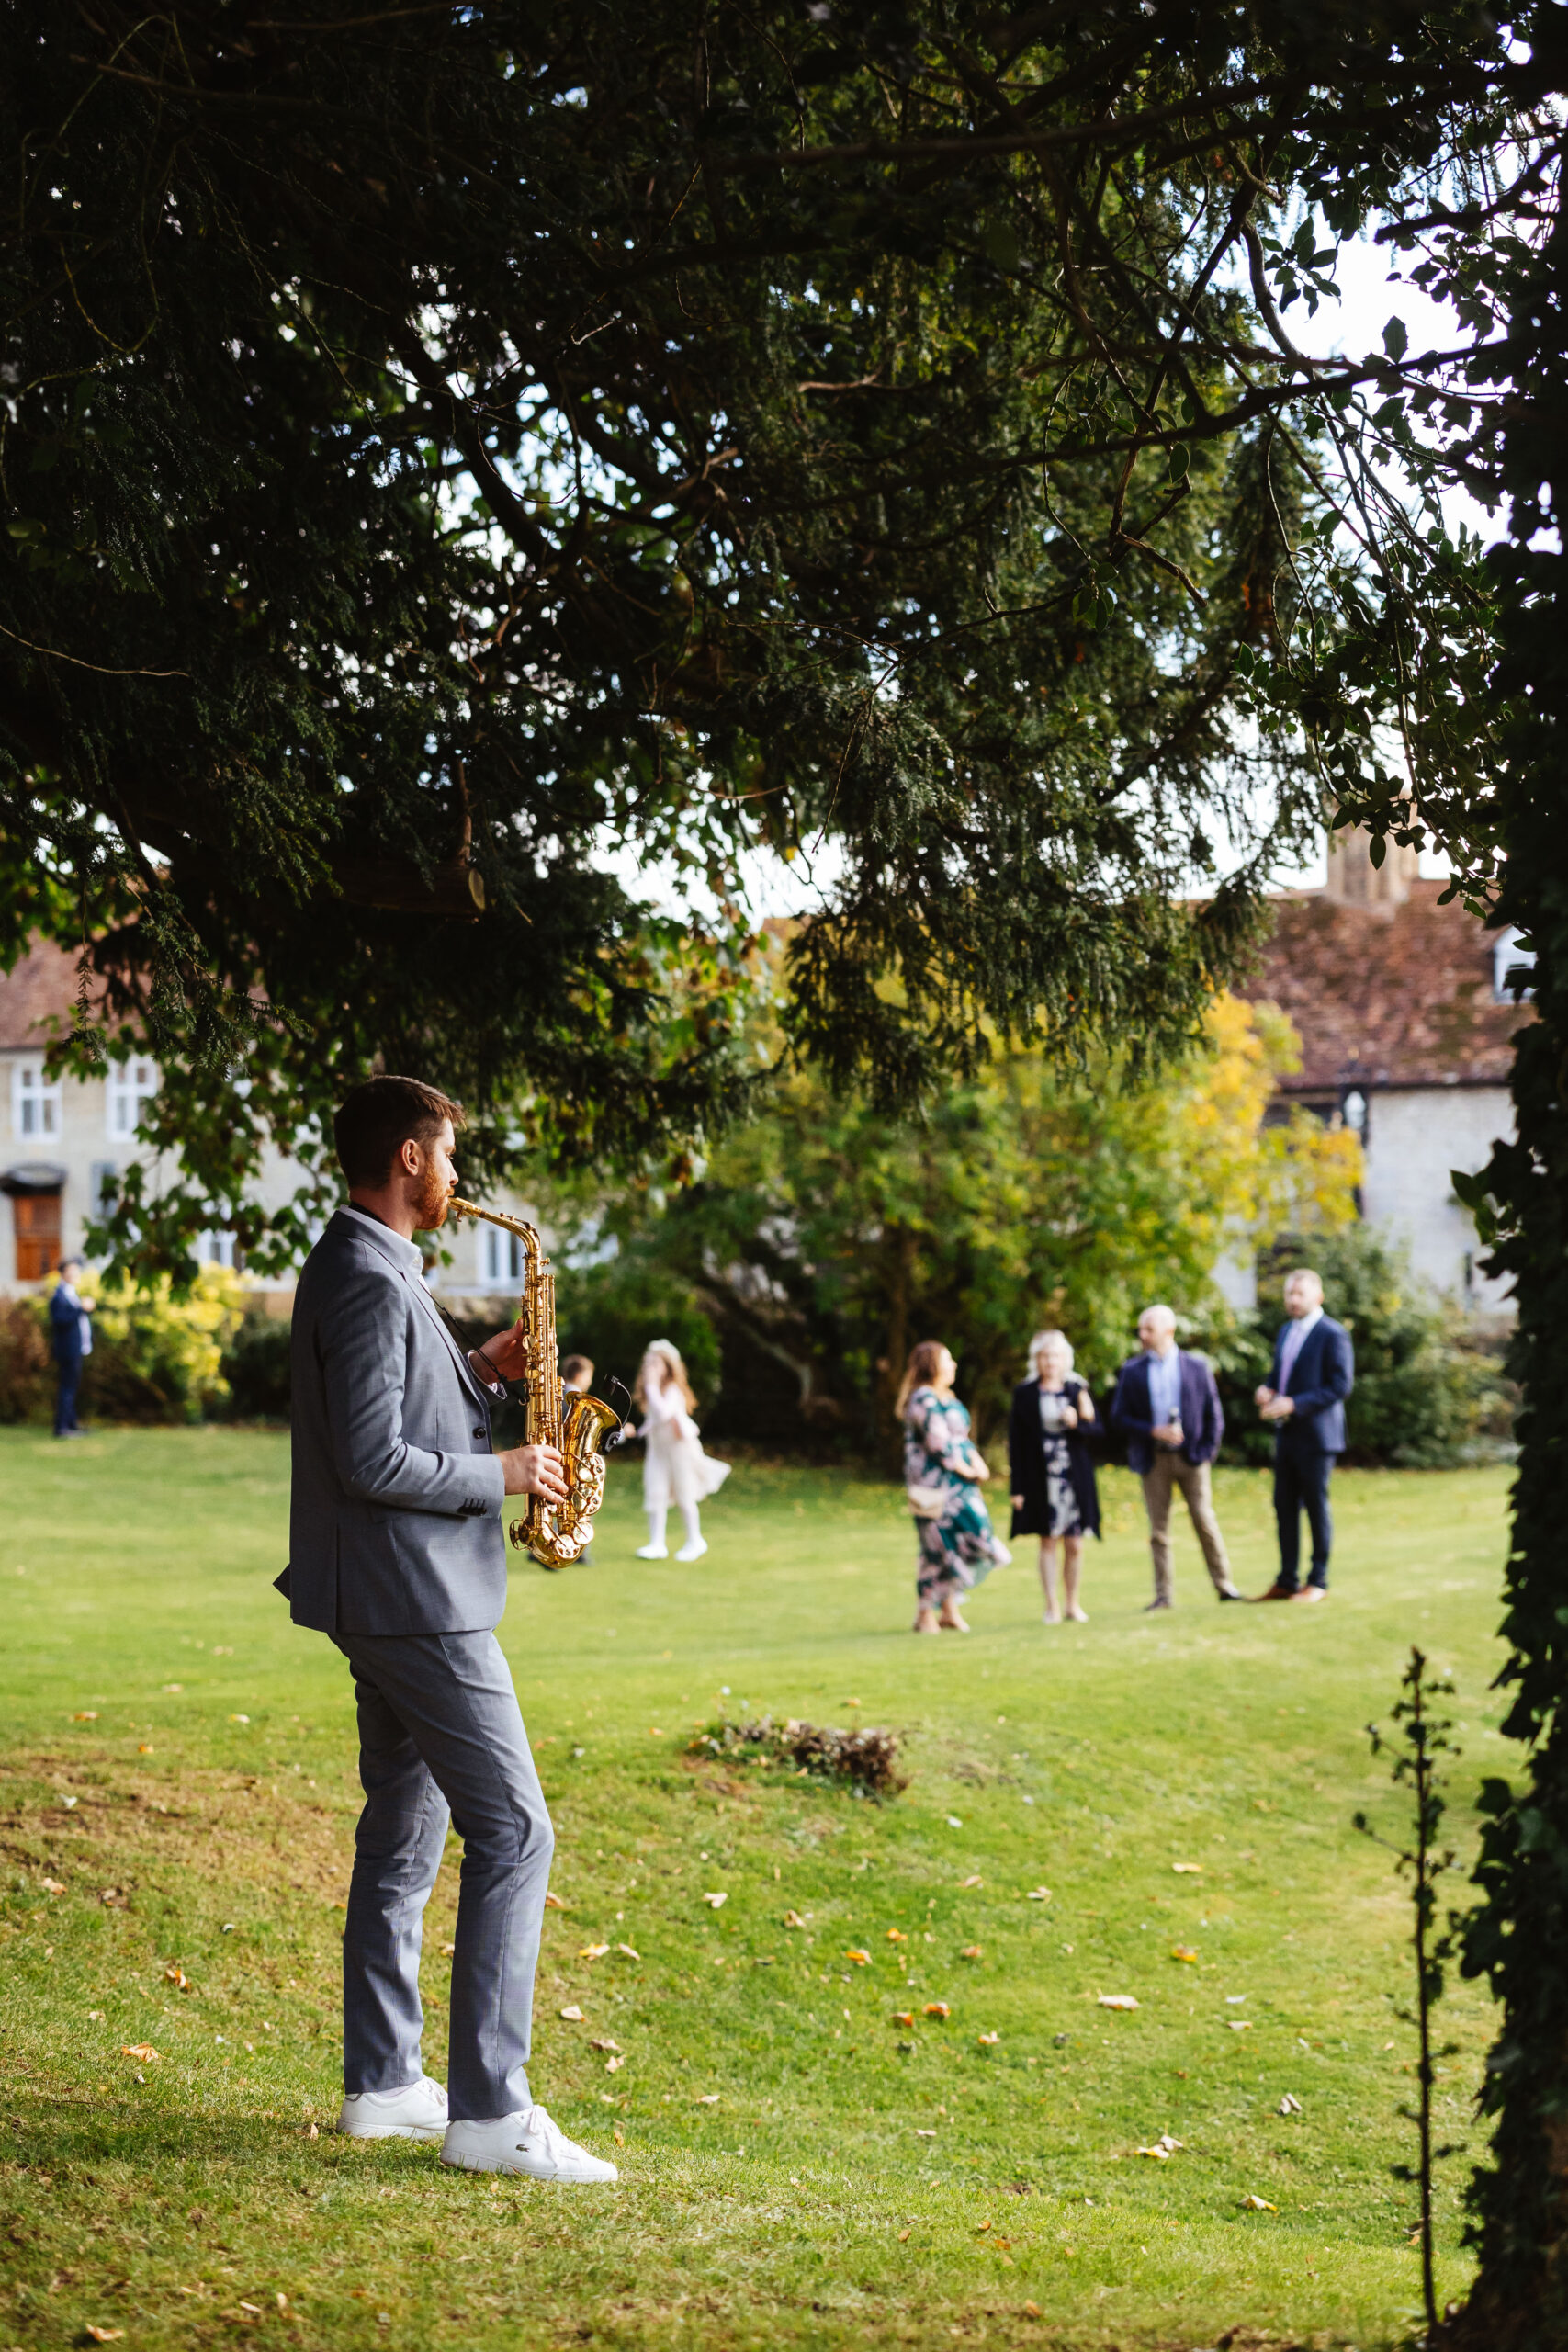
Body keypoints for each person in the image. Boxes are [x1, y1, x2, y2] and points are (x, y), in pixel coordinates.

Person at [278, 1073, 616, 2184]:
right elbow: (372, 1462)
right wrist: (508, 1468)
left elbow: (388, 1415)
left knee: (405, 1830)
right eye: (450, 1155)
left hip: (385, 1593)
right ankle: (489, 2112)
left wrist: (479, 1370)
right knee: (518, 1832)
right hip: (417, 1599)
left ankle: (383, 2085)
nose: (460, 1178)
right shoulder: (370, 1276)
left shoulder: (365, 1260)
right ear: (413, 1158)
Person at [1111, 1304, 1242, 1611]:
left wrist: (1206, 1452)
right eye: (1141, 1329)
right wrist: (1152, 1431)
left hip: (1192, 1458)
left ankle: (1224, 1586)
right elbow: (1119, 1417)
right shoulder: (1132, 1370)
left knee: (1204, 1521)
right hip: (1153, 1459)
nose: (1142, 1335)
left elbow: (1214, 1415)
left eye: (1149, 1329)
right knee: (1159, 1531)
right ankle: (1164, 1596)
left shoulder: (1196, 1367)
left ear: (1168, 1331)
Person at [1254, 1266, 1355, 1603]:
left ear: (1318, 1297)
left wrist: (1294, 1404)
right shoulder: (1285, 1331)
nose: (1293, 1300)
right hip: (1287, 1435)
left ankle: (1318, 1581)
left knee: (1315, 1507)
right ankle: (1286, 1580)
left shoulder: (1332, 1333)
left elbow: (1341, 1385)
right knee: (1283, 1506)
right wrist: (1267, 1392)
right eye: (1289, 1294)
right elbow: (1279, 1377)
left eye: (1300, 1294)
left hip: (1318, 1436)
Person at [898, 1340, 1011, 1634]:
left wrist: (978, 1463)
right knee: (934, 1547)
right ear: (932, 1365)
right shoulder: (923, 1398)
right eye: (948, 1360)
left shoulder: (947, 1397)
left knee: (969, 1538)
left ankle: (948, 1610)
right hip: (928, 1488)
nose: (954, 1365)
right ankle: (926, 1614)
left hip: (959, 1487)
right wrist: (968, 1469)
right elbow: (938, 1443)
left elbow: (961, 1438)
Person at [1008, 1329, 1100, 1623]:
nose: (1050, 1361)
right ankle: (1052, 1606)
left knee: (1074, 1542)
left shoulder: (1077, 1389)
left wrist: (1077, 1423)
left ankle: (1073, 1604)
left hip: (1073, 1476)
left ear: (1065, 1359)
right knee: (1048, 1540)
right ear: (1036, 1359)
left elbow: (1097, 1431)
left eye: (1056, 1355)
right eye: (1045, 1356)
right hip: (1040, 1476)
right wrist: (1017, 1488)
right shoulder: (1025, 1393)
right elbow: (1017, 1443)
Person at [634, 1339, 729, 1562]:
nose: (651, 1367)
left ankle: (695, 1540)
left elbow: (665, 1414)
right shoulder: (654, 1391)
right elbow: (654, 1420)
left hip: (680, 1450)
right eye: (649, 1363)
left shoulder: (672, 1390)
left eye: (656, 1363)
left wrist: (651, 1385)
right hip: (658, 1451)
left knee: (685, 1494)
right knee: (655, 1492)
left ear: (668, 1366)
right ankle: (656, 1543)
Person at [48, 1256, 95, 1440]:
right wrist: (81, 1308)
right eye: (71, 1271)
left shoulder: (71, 1293)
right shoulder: (59, 1295)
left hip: (76, 1347)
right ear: (63, 1273)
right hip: (67, 1349)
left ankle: (71, 1424)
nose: (75, 1274)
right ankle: (62, 1427)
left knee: (71, 1388)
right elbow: (60, 1320)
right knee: (67, 1389)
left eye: (77, 1271)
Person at [559, 1356, 597, 1563]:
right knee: (580, 1506)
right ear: (581, 1374)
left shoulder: (561, 1395)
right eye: (589, 1375)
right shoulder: (575, 1398)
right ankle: (579, 1552)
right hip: (573, 1461)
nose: (590, 1380)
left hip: (563, 1459)